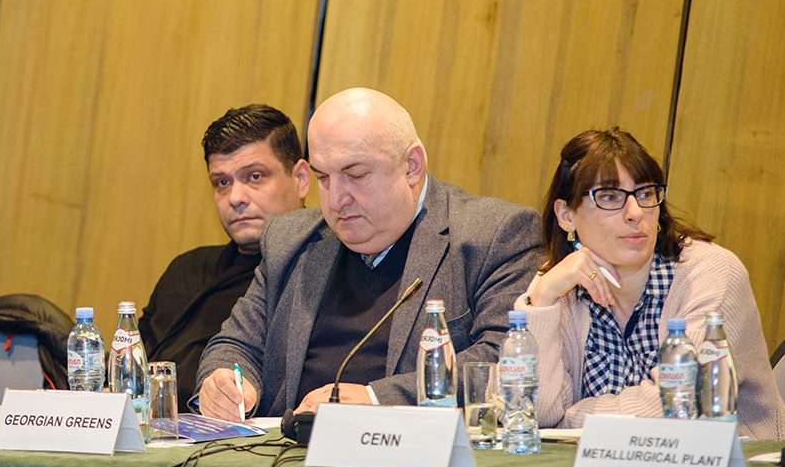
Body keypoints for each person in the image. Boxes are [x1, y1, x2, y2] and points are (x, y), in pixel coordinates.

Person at [195, 88, 540, 419]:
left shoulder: (492, 235)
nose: (335, 200)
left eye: (355, 174)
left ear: (412, 166)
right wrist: (225, 381)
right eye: (323, 178)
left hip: (408, 451)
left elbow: (503, 358)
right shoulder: (290, 239)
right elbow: (235, 344)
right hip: (290, 447)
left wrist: (375, 399)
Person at [516, 128, 785, 439]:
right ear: (566, 215)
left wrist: (568, 420)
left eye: (645, 194)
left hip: (728, 464)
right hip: (595, 465)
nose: (635, 213)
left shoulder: (712, 273)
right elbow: (526, 411)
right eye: (609, 197)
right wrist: (543, 299)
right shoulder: (557, 283)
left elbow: (678, 407)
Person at [138, 105, 309, 411]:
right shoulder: (187, 269)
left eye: (255, 176)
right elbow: (133, 368)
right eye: (222, 182)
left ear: (301, 178)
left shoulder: (316, 275)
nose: (236, 198)